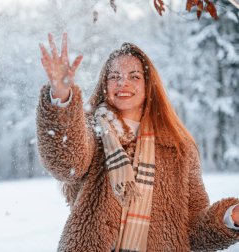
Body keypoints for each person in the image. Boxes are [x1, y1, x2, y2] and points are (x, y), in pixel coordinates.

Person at [36, 32, 239, 252]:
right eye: (114, 76)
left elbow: (193, 229)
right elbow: (65, 163)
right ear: (105, 84)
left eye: (134, 76)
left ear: (148, 85)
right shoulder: (90, 131)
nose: (123, 83)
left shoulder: (179, 148)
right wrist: (62, 97)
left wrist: (230, 217)